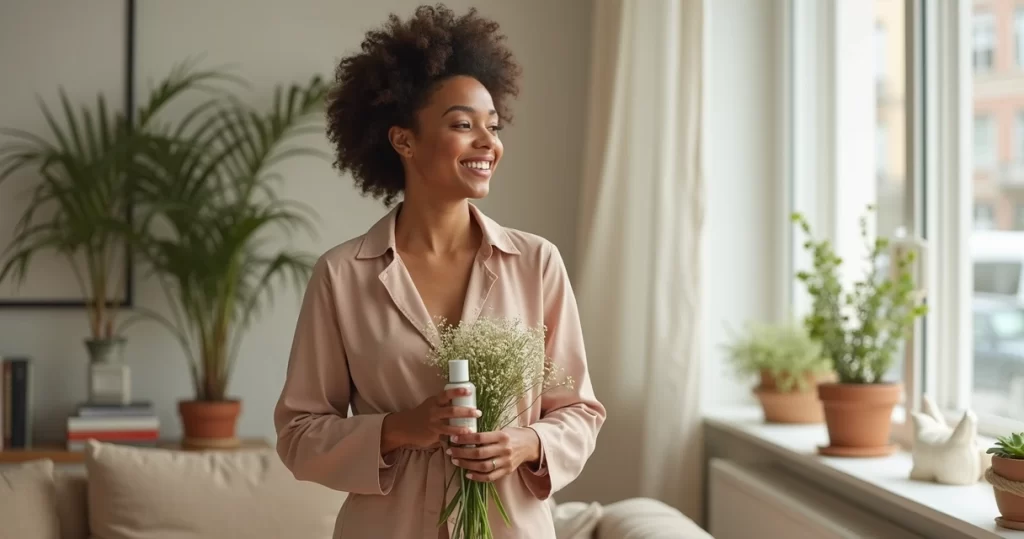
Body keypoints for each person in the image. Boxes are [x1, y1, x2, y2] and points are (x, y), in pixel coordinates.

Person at [273, 4, 606, 538]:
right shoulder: (342, 276)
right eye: (462, 124)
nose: (487, 142)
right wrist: (401, 428)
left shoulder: (537, 263)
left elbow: (580, 411)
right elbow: (298, 436)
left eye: (492, 127)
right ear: (404, 140)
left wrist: (527, 443)